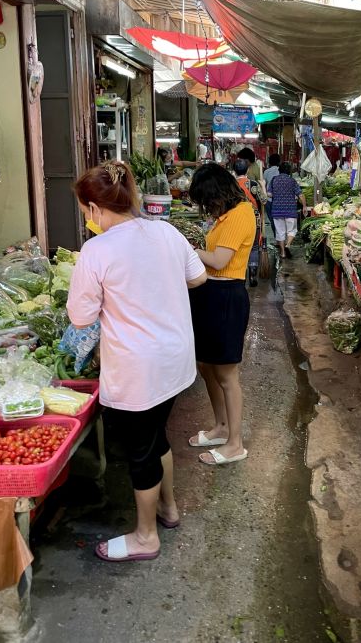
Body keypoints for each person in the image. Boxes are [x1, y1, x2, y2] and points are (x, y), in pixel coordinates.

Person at [67, 161, 207, 563]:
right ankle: (169, 508)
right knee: (156, 436)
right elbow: (198, 277)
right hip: (175, 360)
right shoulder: (166, 232)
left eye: (84, 210)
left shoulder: (97, 250)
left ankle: (146, 537)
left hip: (139, 369)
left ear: (95, 208)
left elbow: (80, 318)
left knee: (141, 452)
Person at [187, 163, 257, 464]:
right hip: (210, 294)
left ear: (218, 193)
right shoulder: (223, 217)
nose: (206, 207)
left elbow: (218, 260)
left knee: (227, 374)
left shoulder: (241, 213)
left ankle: (235, 444)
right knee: (207, 366)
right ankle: (221, 427)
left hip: (227, 297)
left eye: (207, 200)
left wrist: (187, 250)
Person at [233, 158, 267, 287]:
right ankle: (252, 275)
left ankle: (239, 274)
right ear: (247, 170)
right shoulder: (253, 184)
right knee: (254, 247)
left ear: (234, 171)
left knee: (237, 247)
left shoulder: (230, 185)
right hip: (253, 220)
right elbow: (264, 201)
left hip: (236, 221)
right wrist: (263, 186)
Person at [268, 162, 307, 259]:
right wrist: (304, 206)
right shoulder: (292, 181)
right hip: (290, 210)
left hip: (277, 210)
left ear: (279, 170)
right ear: (289, 171)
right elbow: (300, 195)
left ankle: (282, 253)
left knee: (280, 232)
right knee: (292, 230)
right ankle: (288, 245)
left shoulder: (274, 180)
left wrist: (277, 194)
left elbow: (269, 194)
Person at [263, 154, 281, 237]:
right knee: (279, 219)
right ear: (279, 162)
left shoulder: (266, 172)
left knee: (272, 219)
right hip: (279, 199)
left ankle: (276, 236)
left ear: (269, 162)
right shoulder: (280, 171)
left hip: (269, 200)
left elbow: (263, 184)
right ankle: (280, 237)